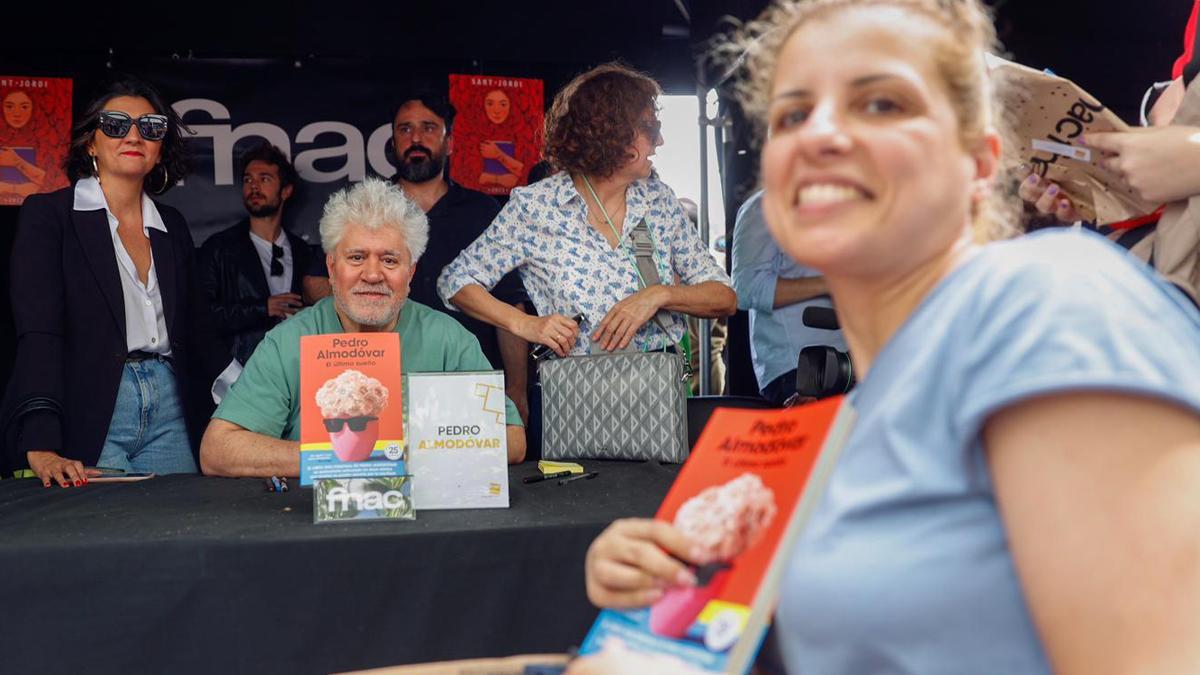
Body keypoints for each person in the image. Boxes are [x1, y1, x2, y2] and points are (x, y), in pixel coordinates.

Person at [573, 1, 1200, 673]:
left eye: (880, 104)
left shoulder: (1047, 302)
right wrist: (665, 605)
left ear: (980, 163)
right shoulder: (858, 417)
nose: (821, 134)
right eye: (793, 113)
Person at [200, 178, 526, 477]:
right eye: (356, 258)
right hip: (315, 527)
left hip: (424, 527)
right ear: (331, 267)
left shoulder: (449, 340)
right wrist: (336, 459)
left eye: (389, 260)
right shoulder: (288, 343)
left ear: (410, 273)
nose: (372, 274)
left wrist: (414, 454)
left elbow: (512, 438)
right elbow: (217, 450)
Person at [2, 77, 225, 487]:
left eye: (150, 126)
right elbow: (39, 333)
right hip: (92, 406)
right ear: (90, 143)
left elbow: (200, 335)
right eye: (117, 124)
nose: (134, 135)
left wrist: (254, 404)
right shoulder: (49, 215)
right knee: (100, 540)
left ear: (160, 151)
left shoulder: (171, 226)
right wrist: (41, 440)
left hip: (172, 406)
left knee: (179, 534)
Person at [439, 63, 736, 360]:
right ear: (612, 133)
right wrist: (527, 325)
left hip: (655, 384)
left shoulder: (659, 201)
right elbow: (456, 281)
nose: (660, 141)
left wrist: (659, 294)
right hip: (575, 386)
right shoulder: (537, 206)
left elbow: (725, 297)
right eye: (651, 129)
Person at [198, 141, 312, 366]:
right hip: (239, 374)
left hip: (297, 370)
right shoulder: (218, 248)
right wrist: (263, 308)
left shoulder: (304, 252)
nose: (254, 186)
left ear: (286, 191)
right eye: (248, 179)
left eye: (265, 179)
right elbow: (200, 316)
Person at [731, 189, 846, 405]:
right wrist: (827, 284)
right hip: (798, 371)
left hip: (852, 363)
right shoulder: (764, 206)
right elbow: (745, 289)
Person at [450, 85, 541, 193]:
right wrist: (500, 178)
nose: (496, 110)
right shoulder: (469, 131)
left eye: (503, 104)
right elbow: (468, 176)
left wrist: (498, 154)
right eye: (490, 104)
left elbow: (527, 172)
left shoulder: (524, 132)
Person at [0, 85, 70, 202]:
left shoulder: (49, 138)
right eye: (9, 106)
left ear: (33, 108)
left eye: (24, 107)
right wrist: (15, 188)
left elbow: (52, 181)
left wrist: (16, 162)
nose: (17, 113)